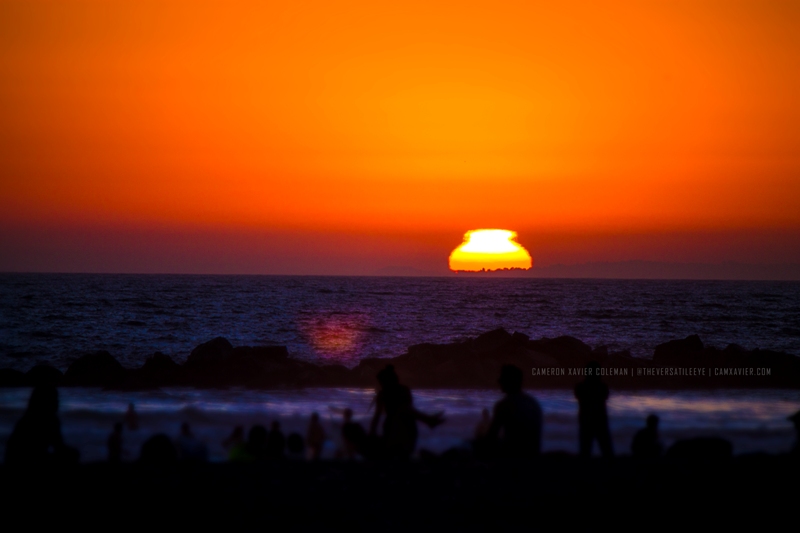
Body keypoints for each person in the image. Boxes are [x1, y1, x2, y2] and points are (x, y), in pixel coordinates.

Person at [369, 364, 445, 460]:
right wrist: (372, 435)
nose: (380, 385)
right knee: (402, 410)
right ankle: (429, 420)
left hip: (404, 427)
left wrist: (372, 433)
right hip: (397, 428)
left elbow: (378, 416)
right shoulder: (397, 391)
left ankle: (429, 420)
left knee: (402, 411)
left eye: (381, 382)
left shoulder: (389, 393)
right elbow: (408, 409)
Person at [4, 385, 79, 465]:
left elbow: (58, 447)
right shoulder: (48, 421)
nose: (57, 402)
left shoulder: (27, 419)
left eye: (56, 399)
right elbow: (59, 448)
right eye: (53, 399)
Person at [483, 365, 543, 459]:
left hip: (513, 459)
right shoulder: (532, 403)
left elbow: (491, 438)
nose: (499, 381)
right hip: (533, 456)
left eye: (502, 377)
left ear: (508, 381)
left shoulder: (504, 405)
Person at [575, 361, 614, 458]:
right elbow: (605, 396)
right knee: (605, 447)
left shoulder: (580, 387)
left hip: (585, 419)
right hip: (600, 419)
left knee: (585, 448)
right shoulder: (602, 386)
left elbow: (578, 395)